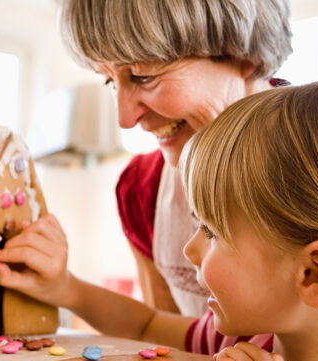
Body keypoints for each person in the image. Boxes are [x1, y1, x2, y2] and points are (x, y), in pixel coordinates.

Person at [0, 80, 318, 361]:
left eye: (211, 230)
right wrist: (66, 288)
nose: (190, 249)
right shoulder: (241, 341)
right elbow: (146, 323)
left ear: (314, 274)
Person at [57, 0, 293, 316]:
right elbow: (164, 341)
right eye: (111, 82)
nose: (125, 119)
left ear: (243, 56)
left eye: (144, 75)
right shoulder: (142, 189)